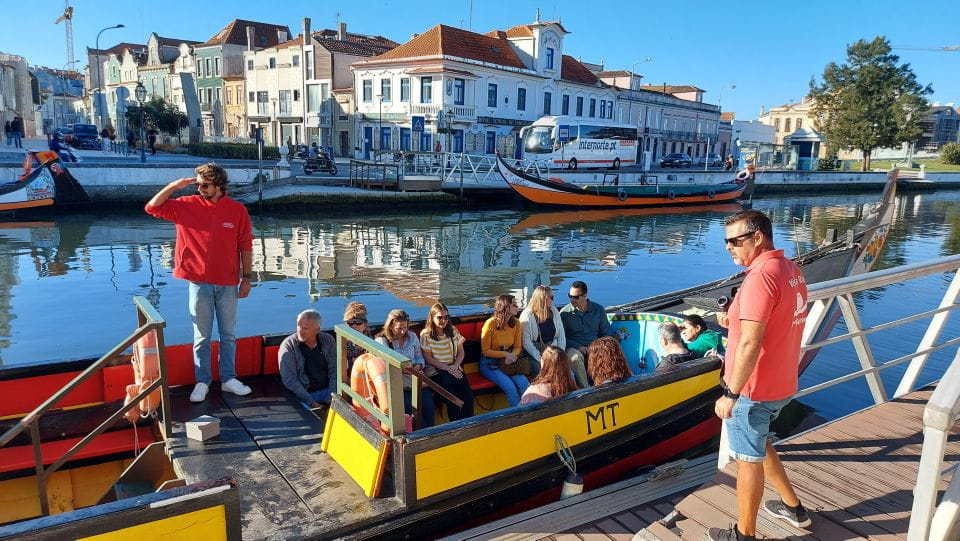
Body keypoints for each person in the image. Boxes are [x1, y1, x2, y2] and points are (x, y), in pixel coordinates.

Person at [707, 210, 810, 541]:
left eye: (734, 241)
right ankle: (794, 508)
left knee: (747, 459)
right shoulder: (788, 269)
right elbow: (769, 319)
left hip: (752, 388)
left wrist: (731, 394)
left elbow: (752, 341)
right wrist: (733, 319)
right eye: (726, 243)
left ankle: (743, 534)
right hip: (782, 381)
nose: (728, 248)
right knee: (761, 442)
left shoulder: (759, 277)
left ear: (757, 237)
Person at [144, 163, 254, 403]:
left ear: (220, 185)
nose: (200, 189)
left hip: (228, 282)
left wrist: (247, 278)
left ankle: (228, 379)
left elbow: (246, 244)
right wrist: (175, 186)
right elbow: (151, 207)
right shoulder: (185, 206)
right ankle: (202, 381)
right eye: (198, 184)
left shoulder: (237, 211)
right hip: (198, 282)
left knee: (228, 334)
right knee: (201, 336)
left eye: (205, 184)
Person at [375, 309, 435, 427]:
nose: (402, 331)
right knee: (414, 412)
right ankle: (420, 436)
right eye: (399, 328)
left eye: (405, 327)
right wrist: (403, 369)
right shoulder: (382, 341)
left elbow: (419, 357)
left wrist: (418, 366)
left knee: (429, 408)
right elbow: (383, 365)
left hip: (416, 379)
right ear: (391, 326)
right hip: (399, 384)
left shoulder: (412, 337)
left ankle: (432, 433)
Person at [420, 303, 474, 421]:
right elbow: (428, 359)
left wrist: (455, 366)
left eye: (446, 317)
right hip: (436, 372)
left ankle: (469, 425)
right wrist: (448, 368)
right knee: (453, 401)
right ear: (432, 318)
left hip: (454, 367)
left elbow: (461, 353)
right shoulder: (426, 335)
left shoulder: (453, 330)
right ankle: (456, 428)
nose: (443, 320)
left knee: (468, 398)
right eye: (439, 317)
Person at [560, 280, 614, 388]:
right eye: (570, 296)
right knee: (575, 358)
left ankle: (607, 385)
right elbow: (562, 338)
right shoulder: (564, 313)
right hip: (574, 347)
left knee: (608, 351)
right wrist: (578, 346)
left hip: (595, 345)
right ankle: (586, 390)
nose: (572, 300)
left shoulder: (598, 310)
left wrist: (596, 347)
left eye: (575, 297)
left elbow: (606, 334)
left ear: (585, 296)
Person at [278, 309, 336, 409]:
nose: (300, 331)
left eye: (305, 328)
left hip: (328, 390)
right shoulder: (288, 346)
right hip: (303, 395)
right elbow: (290, 380)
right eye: (298, 326)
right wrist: (311, 402)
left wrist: (332, 397)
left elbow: (335, 370)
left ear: (317, 330)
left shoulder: (328, 340)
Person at [480, 294, 530, 407]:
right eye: (514, 305)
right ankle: (519, 418)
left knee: (524, 384)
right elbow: (485, 350)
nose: (517, 307)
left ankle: (532, 414)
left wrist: (512, 356)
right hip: (489, 363)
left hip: (508, 362)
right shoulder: (490, 324)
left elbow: (517, 347)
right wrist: (506, 354)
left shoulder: (516, 323)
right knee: (511, 388)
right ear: (505, 307)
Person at [519, 285, 566, 377]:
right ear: (542, 299)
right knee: (545, 373)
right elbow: (526, 341)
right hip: (535, 352)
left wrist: (560, 354)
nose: (553, 300)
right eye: (551, 297)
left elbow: (561, 335)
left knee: (568, 373)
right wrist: (540, 357)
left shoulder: (554, 311)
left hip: (553, 349)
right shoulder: (527, 315)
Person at [343, 302, 369, 367]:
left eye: (358, 322)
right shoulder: (341, 342)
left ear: (365, 324)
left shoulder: (371, 340)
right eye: (350, 323)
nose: (354, 326)